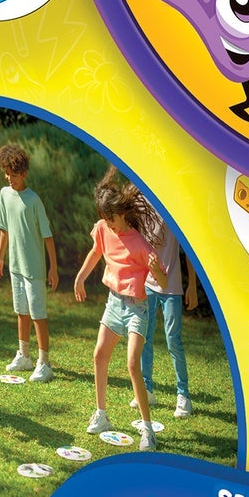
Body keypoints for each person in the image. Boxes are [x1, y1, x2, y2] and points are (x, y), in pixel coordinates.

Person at [74, 169, 166, 451]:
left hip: (137, 308)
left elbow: (163, 282)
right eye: (105, 219)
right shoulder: (104, 228)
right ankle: (101, 415)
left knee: (132, 364)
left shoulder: (139, 244)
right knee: (99, 354)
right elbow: (96, 252)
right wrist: (80, 277)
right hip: (114, 302)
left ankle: (148, 430)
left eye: (111, 218)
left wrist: (155, 270)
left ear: (122, 213)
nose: (109, 224)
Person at [0, 143, 57, 381]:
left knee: (38, 315)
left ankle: (44, 363)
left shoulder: (34, 200)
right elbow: (4, 229)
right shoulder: (4, 195)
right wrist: (0, 257)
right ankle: (24, 356)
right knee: (21, 311)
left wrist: (53, 268)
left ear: (25, 174)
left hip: (34, 269)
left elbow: (47, 236)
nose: (10, 178)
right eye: (7, 173)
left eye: (14, 174)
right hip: (15, 266)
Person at [138, 206, 199, 419]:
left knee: (173, 339)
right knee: (144, 336)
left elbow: (189, 249)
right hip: (147, 283)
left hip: (171, 286)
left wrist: (192, 285)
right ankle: (146, 390)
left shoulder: (173, 207)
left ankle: (183, 396)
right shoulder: (140, 205)